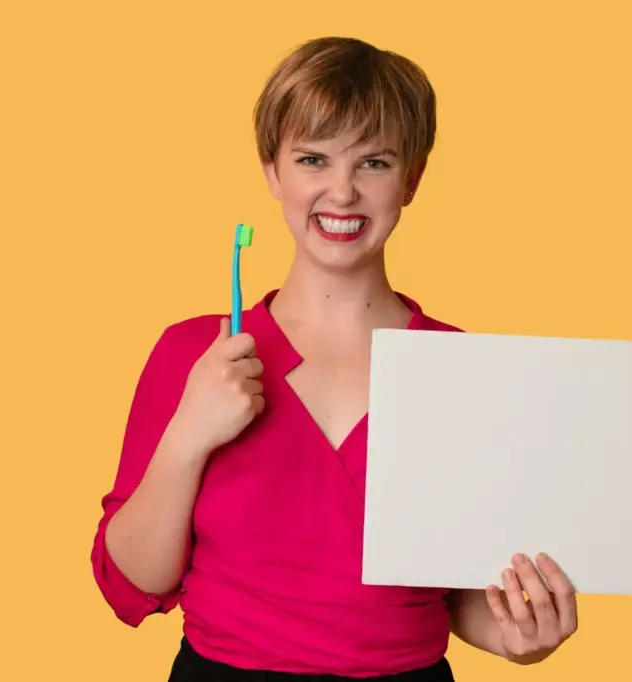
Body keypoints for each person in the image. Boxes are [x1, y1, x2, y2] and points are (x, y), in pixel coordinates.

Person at [90, 36, 579, 681]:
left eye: (373, 163)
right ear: (273, 171)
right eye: (314, 159)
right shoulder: (193, 353)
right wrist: (187, 437)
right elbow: (132, 584)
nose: (342, 191)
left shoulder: (462, 369)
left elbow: (459, 598)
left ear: (413, 178)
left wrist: (524, 636)